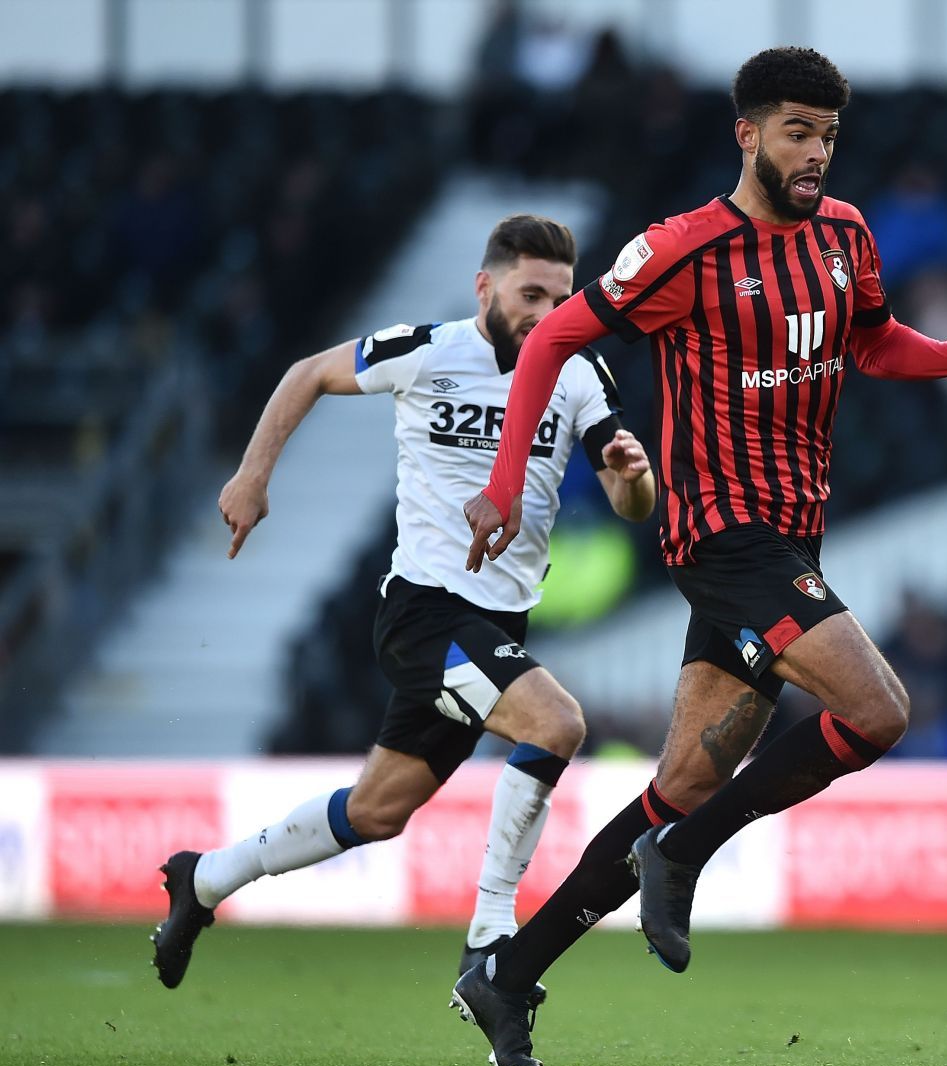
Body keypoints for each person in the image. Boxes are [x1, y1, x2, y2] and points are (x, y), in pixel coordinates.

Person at [449, 47, 947, 1066]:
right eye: (798, 132)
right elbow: (551, 342)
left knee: (685, 776)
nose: (816, 154)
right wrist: (506, 483)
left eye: (828, 135)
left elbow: (872, 341)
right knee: (881, 709)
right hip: (723, 536)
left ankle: (508, 973)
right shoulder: (682, 251)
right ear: (749, 134)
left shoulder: (847, 234)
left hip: (792, 535)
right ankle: (682, 855)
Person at [151, 215, 657, 1001]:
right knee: (556, 723)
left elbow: (635, 505)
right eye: (530, 294)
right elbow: (307, 373)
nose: (545, 314)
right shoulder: (426, 350)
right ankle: (491, 937)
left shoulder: (580, 373)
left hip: (498, 623)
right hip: (423, 613)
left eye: (560, 299)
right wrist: (253, 476)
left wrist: (633, 476)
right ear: (484, 287)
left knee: (377, 811)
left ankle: (205, 879)